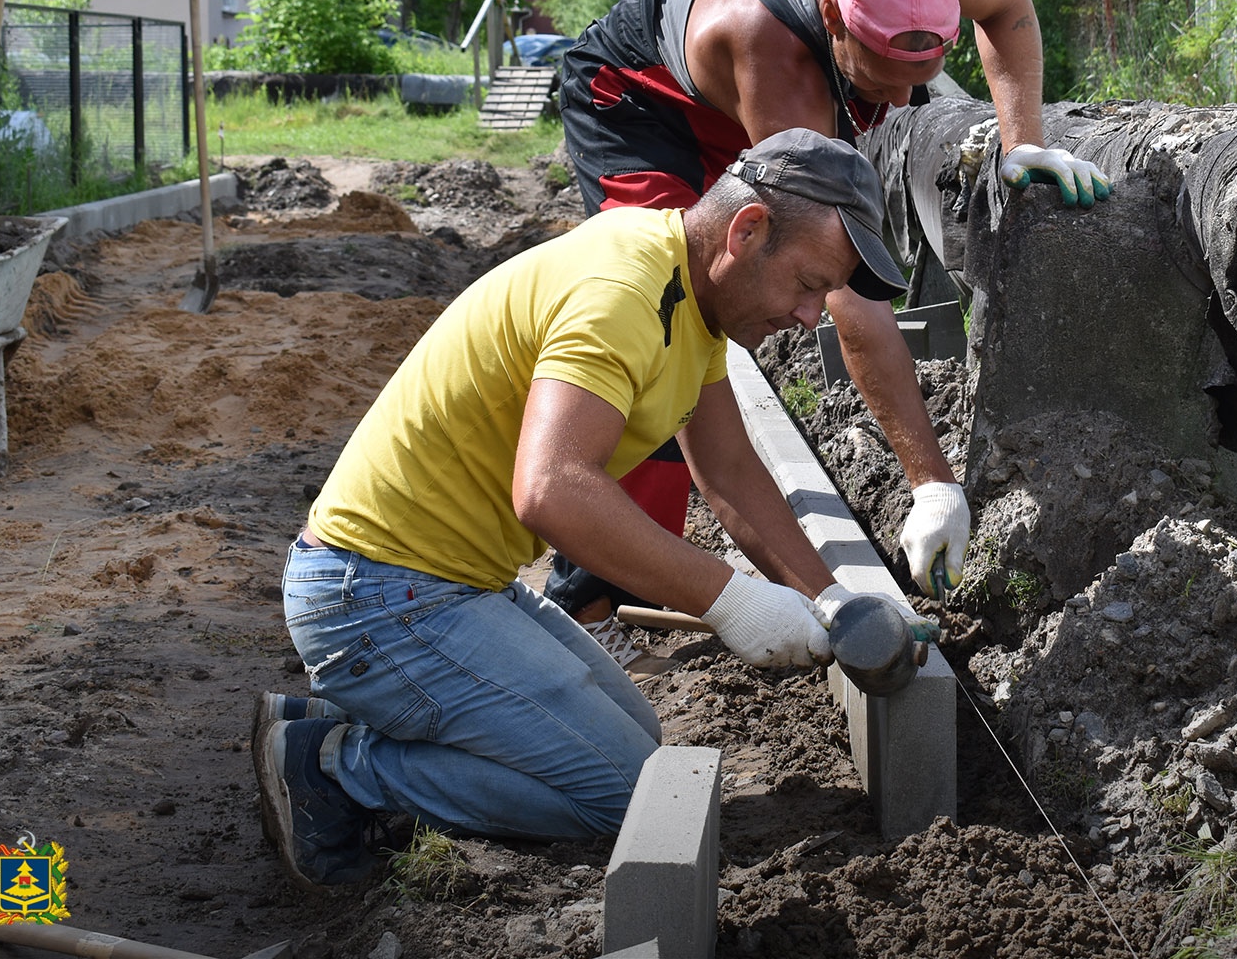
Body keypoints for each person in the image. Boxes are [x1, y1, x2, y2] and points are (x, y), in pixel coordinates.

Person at [253, 129, 910, 888]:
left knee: (639, 739)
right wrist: (731, 602)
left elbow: (730, 473)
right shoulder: (626, 295)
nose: (808, 317)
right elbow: (553, 487)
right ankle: (337, 771)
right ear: (748, 230)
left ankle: (333, 726)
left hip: (444, 582)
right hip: (376, 596)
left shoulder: (690, 298)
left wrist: (830, 603)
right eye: (806, 285)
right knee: (627, 792)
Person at [553, 0, 1112, 644]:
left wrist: (1023, 142)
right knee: (662, 325)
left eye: (916, 76)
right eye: (876, 82)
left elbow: (1009, 5)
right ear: (833, 21)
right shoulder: (772, 51)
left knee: (693, 337)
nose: (902, 97)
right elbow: (845, 291)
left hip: (738, 106)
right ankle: (589, 606)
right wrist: (932, 483)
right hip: (640, 107)